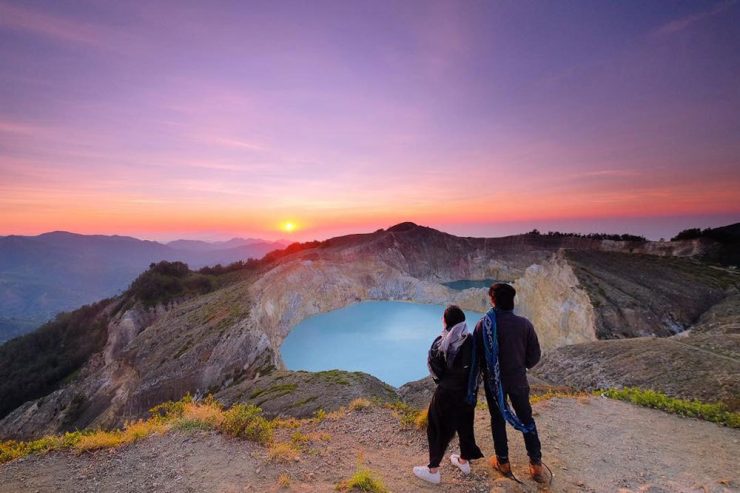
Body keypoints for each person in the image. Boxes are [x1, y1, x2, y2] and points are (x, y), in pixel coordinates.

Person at [470, 283, 545, 483]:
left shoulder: (483, 325)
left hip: (494, 384)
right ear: (512, 301)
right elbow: (534, 357)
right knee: (526, 418)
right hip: (518, 380)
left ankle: (503, 462)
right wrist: (521, 365)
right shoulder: (525, 325)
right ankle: (536, 465)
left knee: (497, 420)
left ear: (493, 300)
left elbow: (476, 357)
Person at [413, 305, 484, 484]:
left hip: (447, 394)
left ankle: (433, 470)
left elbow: (435, 369)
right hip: (468, 393)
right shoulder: (471, 340)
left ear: (446, 321)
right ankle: (463, 461)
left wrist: (444, 382)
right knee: (465, 425)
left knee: (437, 428)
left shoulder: (441, 343)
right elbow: (479, 368)